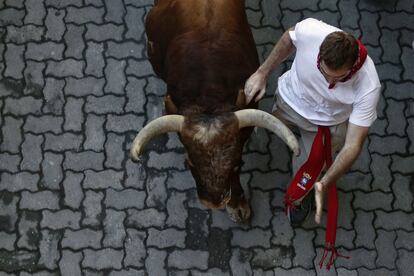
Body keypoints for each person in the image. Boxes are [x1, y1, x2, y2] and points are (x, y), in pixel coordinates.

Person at [244, 18, 381, 226]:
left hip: (325, 126)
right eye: (324, 73)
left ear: (353, 66)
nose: (329, 83)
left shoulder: (368, 85)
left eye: (339, 78)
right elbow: (289, 38)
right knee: (276, 131)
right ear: (319, 54)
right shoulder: (310, 31)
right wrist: (262, 73)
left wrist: (325, 183)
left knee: (308, 172)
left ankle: (298, 197)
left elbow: (353, 144)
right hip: (289, 102)